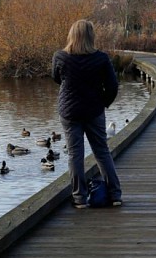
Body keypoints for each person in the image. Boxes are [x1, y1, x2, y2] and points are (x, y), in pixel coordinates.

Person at [52, 20, 122, 209]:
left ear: (71, 35)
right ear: (91, 36)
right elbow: (113, 86)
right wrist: (103, 102)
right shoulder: (101, 58)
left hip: (69, 111)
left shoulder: (60, 57)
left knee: (75, 154)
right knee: (101, 151)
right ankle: (115, 194)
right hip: (94, 110)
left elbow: (56, 78)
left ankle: (79, 198)